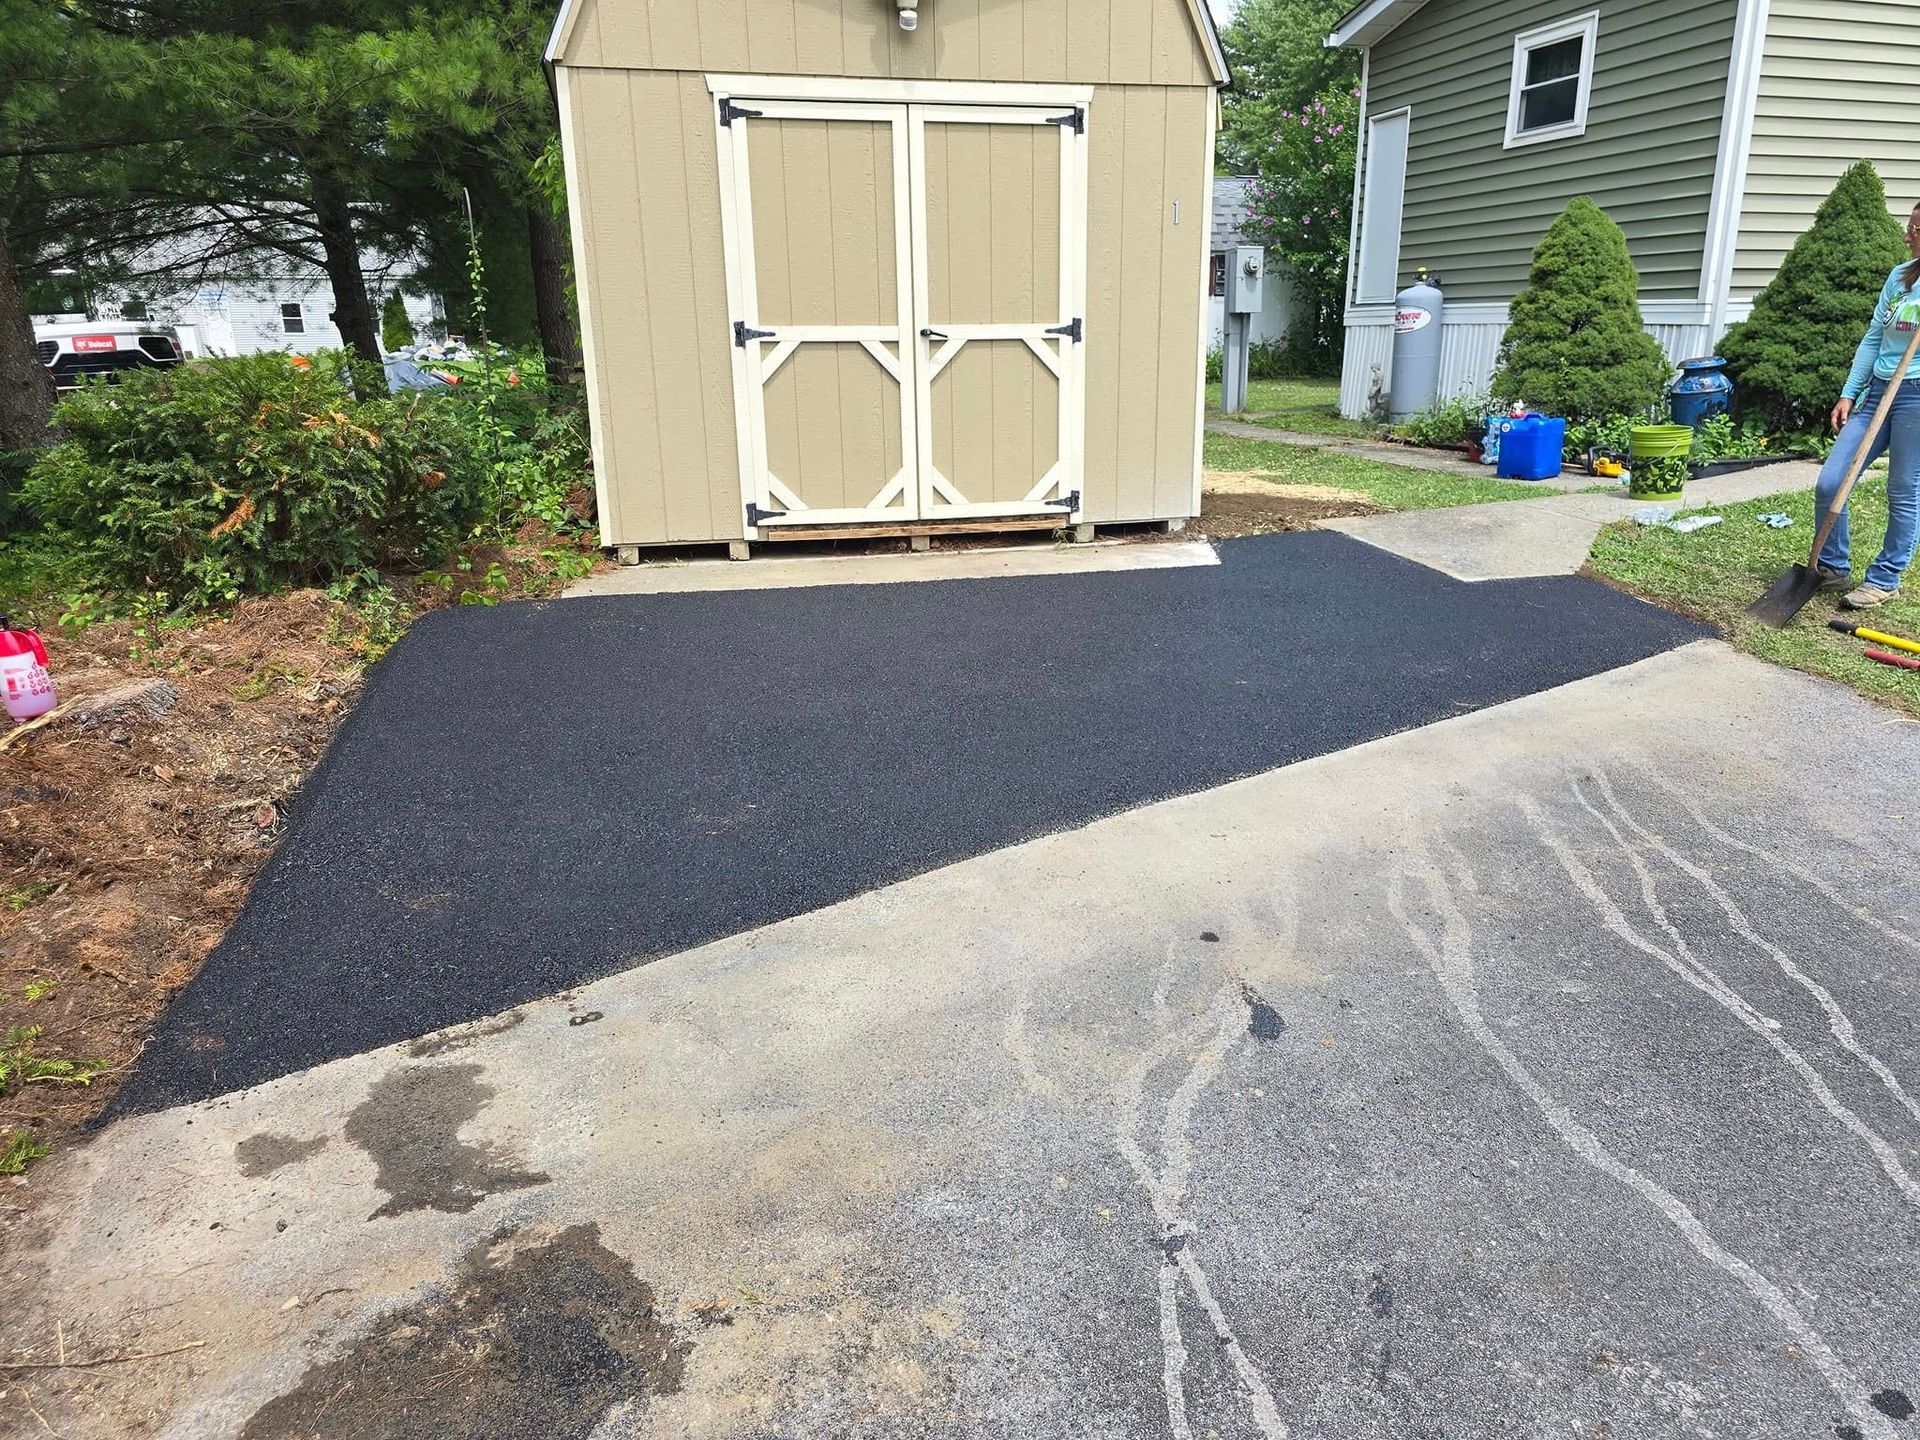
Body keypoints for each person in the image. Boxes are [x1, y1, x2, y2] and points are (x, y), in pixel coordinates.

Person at [1816, 206, 1920, 608]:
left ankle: (1885, 578)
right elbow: (1874, 337)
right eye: (1909, 227)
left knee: (1903, 490)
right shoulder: (1900, 276)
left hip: (1916, 397)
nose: (1907, 236)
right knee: (1831, 481)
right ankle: (1832, 565)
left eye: (1914, 229)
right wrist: (1849, 392)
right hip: (1877, 390)